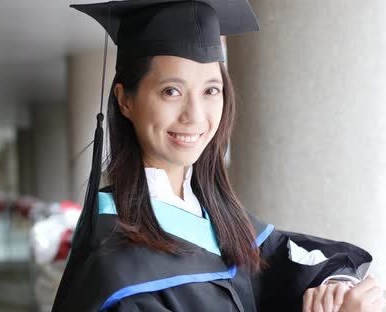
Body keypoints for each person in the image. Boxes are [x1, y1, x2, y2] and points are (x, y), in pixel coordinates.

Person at [52, 0, 385, 311]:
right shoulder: (117, 266)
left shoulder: (215, 215)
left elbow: (289, 258)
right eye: (172, 91)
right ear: (125, 101)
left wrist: (336, 288)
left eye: (211, 90)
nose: (195, 115)